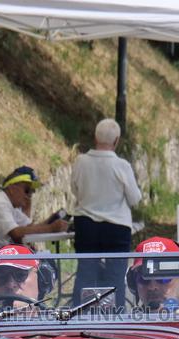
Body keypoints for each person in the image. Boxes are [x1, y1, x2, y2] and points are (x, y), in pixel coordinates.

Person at [70, 118, 142, 307]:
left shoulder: (80, 161)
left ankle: (79, 315)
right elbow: (134, 198)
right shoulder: (121, 166)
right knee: (116, 276)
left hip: (85, 224)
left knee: (85, 273)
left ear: (95, 137)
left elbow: (74, 190)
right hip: (116, 227)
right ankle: (115, 316)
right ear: (116, 140)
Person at [0, 166, 69, 254]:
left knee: (36, 264)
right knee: (34, 267)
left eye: (32, 192)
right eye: (27, 190)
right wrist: (50, 228)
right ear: (12, 189)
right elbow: (17, 234)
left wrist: (51, 220)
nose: (29, 196)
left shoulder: (9, 204)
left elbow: (28, 228)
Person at [0, 244, 52, 310]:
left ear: (41, 280)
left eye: (20, 275)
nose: (10, 285)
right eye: (1, 278)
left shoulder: (59, 322)